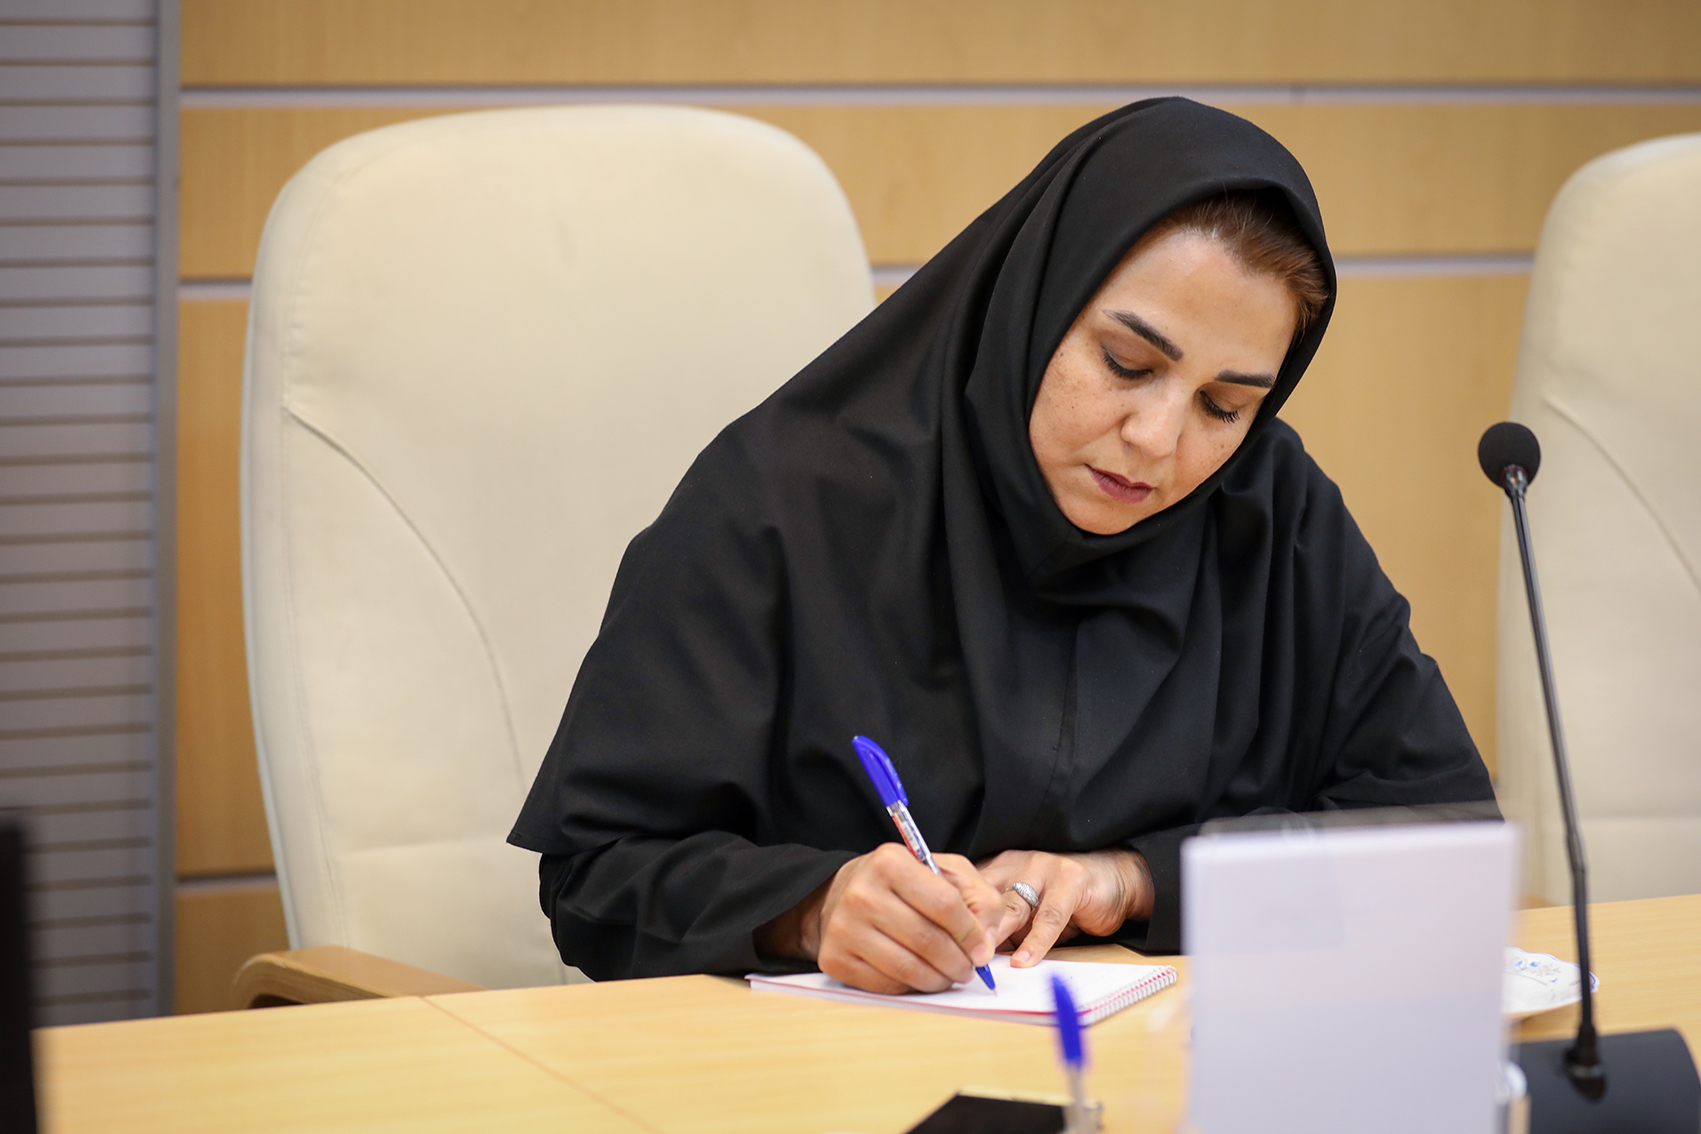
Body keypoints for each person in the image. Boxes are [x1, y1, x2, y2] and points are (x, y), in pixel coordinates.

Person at [509, 97, 1496, 993]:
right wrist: (809, 909)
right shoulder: (785, 498)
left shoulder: (1271, 515)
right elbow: (598, 874)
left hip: (1170, 1078)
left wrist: (1133, 880)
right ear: (1034, 301)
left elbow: (1443, 842)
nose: (1158, 439)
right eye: (1126, 363)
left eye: (1224, 405)